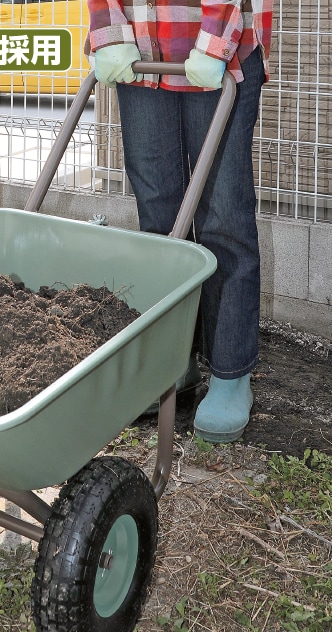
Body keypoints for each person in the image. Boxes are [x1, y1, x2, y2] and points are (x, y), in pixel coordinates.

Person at [87, 0, 273, 443]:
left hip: (222, 49)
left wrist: (214, 43)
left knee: (223, 216)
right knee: (158, 215)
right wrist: (108, 33)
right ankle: (173, 360)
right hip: (140, 47)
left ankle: (230, 372)